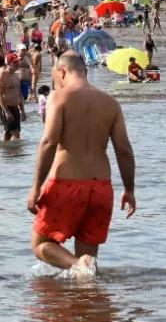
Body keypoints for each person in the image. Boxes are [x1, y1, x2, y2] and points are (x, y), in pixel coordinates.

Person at [27, 51, 137, 277]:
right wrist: (129, 189)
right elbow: (124, 150)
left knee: (40, 245)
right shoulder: (110, 103)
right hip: (101, 189)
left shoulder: (59, 97)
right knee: (87, 267)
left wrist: (36, 186)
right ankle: (86, 302)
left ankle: (79, 266)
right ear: (85, 71)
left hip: (66, 185)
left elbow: (49, 142)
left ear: (61, 71)